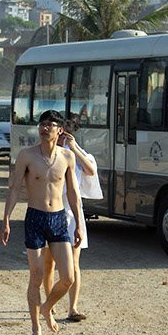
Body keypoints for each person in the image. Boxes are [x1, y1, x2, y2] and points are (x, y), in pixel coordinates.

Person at [0, 110, 82, 335]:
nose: (45, 128)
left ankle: (47, 307)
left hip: (58, 219)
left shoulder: (67, 157)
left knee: (68, 278)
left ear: (60, 130)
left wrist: (78, 224)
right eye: (42, 124)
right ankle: (36, 328)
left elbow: (73, 193)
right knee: (36, 275)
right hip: (34, 218)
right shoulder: (27, 156)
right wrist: (6, 219)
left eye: (50, 125)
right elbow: (14, 188)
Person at [42, 116, 102, 323]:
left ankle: (72, 308)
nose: (62, 138)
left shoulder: (76, 154)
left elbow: (91, 170)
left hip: (72, 215)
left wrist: (74, 148)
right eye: (60, 134)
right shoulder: (45, 154)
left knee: (74, 263)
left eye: (66, 135)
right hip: (50, 213)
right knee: (49, 263)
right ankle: (49, 304)